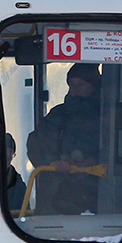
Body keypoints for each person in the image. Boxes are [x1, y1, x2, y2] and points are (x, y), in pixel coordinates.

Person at [27, 62, 105, 213]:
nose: (75, 89)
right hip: (57, 196)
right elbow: (36, 144)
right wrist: (53, 161)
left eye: (81, 84)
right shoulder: (58, 115)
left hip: (100, 195)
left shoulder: (108, 115)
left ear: (94, 85)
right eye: (71, 84)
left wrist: (97, 161)